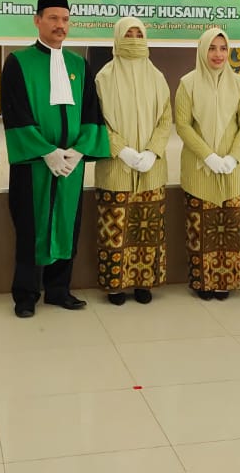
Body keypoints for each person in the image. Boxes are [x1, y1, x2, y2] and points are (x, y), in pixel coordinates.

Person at [3, 0, 109, 318]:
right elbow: (16, 112)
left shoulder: (79, 64)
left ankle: (59, 289)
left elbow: (91, 112)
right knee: (31, 227)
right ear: (37, 20)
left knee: (66, 222)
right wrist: (46, 151)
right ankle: (26, 294)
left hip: (70, 165)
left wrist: (78, 151)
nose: (60, 25)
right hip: (35, 164)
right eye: (52, 18)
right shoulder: (19, 62)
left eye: (65, 19)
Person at [93, 16, 172, 305]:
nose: (135, 40)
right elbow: (97, 120)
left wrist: (152, 151)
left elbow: (165, 119)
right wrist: (122, 150)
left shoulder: (157, 76)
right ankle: (115, 285)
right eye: (129, 34)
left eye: (139, 34)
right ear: (118, 37)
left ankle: (143, 282)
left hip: (151, 168)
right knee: (115, 228)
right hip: (116, 166)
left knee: (147, 227)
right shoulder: (103, 77)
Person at [176, 27, 240, 300]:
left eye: (223, 48)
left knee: (232, 226)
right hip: (199, 168)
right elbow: (183, 125)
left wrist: (233, 157)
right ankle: (203, 282)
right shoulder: (187, 83)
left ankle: (227, 281)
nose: (218, 54)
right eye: (211, 48)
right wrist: (208, 156)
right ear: (202, 50)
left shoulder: (239, 83)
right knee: (201, 228)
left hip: (233, 169)